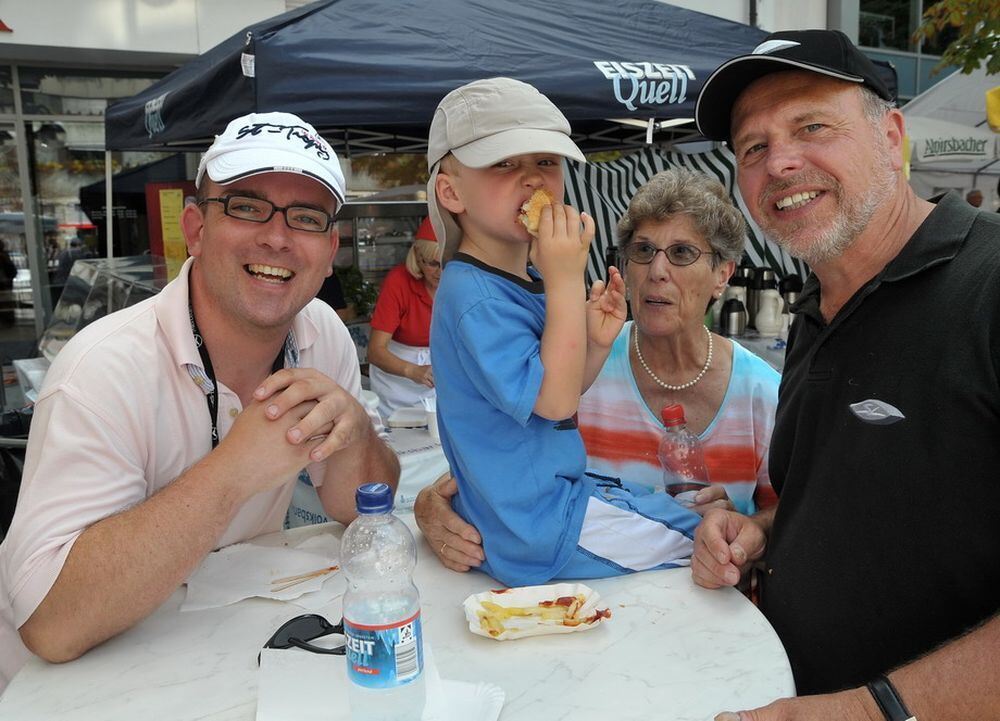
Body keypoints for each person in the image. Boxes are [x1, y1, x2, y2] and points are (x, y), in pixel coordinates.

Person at [0, 111, 399, 691]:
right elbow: (51, 626)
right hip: (66, 689)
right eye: (246, 206)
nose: (277, 236)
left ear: (330, 247)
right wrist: (234, 471)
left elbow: (354, 507)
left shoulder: (322, 333)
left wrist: (356, 433)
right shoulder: (101, 371)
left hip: (212, 653)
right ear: (196, 228)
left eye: (306, 217)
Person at [688, 29, 1000, 719]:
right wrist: (764, 530)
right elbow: (862, 497)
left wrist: (872, 709)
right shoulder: (815, 307)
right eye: (753, 148)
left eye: (812, 126)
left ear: (892, 136)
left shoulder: (989, 284)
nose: (781, 163)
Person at [417, 168, 780, 573]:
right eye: (643, 251)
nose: (657, 271)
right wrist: (431, 504)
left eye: (681, 253)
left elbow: (791, 515)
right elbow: (494, 455)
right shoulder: (570, 357)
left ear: (722, 275)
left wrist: (746, 530)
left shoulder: (763, 394)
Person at [426, 76, 700, 589]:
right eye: (503, 163)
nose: (533, 180)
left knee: (690, 521)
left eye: (546, 163)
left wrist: (595, 340)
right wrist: (565, 278)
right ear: (451, 191)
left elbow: (561, 390)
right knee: (708, 541)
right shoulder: (473, 296)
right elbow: (553, 404)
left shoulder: (518, 280)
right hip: (540, 525)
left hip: (546, 505)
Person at [367, 217, 440, 420]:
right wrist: (413, 371)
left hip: (439, 381)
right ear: (417, 257)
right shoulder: (398, 281)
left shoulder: (457, 283)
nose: (441, 272)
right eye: (433, 264)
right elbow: (375, 352)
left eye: (447, 263)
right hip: (396, 386)